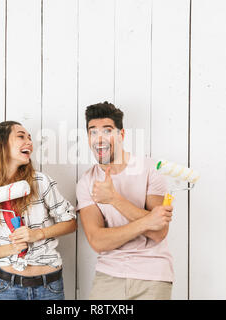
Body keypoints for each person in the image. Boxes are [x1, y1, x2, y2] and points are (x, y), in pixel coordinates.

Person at [0, 120, 77, 300]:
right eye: (21, 136)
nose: (29, 142)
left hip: (48, 286)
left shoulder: (40, 182)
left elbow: (71, 223)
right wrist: (12, 248)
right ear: (1, 145)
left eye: (29, 137)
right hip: (7, 289)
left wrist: (38, 234)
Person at [76, 102, 174, 300]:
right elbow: (98, 241)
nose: (99, 138)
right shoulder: (86, 183)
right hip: (109, 276)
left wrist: (114, 199)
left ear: (121, 135)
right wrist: (147, 221)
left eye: (107, 131)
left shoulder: (150, 169)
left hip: (153, 274)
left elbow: (159, 233)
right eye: (93, 132)